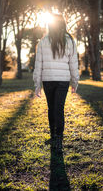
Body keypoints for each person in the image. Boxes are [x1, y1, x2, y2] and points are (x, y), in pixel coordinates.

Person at [33, 14, 79, 150]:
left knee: (52, 108)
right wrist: (75, 82)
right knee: (58, 108)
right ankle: (57, 137)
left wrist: (37, 84)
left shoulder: (43, 41)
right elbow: (74, 64)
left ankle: (55, 136)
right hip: (62, 81)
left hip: (48, 80)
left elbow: (38, 65)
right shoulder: (69, 41)